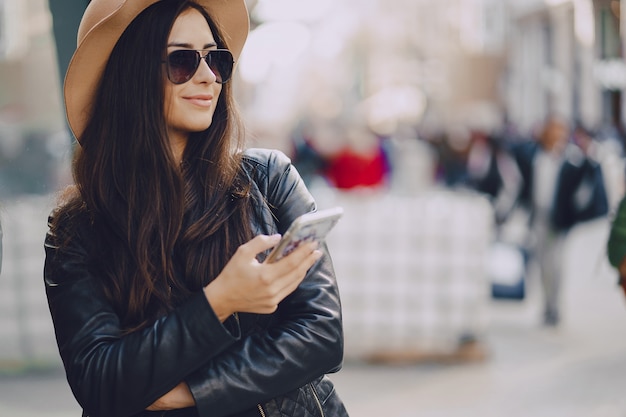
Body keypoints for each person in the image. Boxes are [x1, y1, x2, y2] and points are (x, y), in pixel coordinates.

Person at [43, 1, 349, 416]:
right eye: (183, 60)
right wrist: (220, 300)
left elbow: (322, 335)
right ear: (130, 74)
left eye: (216, 59)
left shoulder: (269, 178)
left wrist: (193, 391)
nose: (208, 76)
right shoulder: (78, 228)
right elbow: (99, 382)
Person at [510, 116, 609, 326]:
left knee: (554, 263)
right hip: (538, 217)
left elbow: (590, 175)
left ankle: (554, 307)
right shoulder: (534, 156)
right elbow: (517, 161)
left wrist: (587, 151)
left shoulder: (570, 160)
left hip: (558, 220)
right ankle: (546, 305)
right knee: (541, 263)